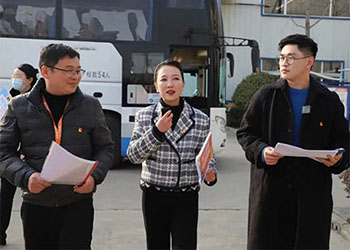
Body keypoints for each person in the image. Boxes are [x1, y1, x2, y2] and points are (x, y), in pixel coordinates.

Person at [236, 34, 349, 250]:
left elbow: (344, 140)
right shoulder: (266, 96)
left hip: (312, 195)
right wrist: (262, 151)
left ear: (309, 62)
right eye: (281, 58)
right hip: (271, 193)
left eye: (291, 58)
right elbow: (245, 133)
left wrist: (338, 158)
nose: (284, 63)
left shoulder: (327, 100)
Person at [0, 43, 114, 249]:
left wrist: (94, 178)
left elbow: (105, 148)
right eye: (69, 71)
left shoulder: (90, 106)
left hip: (78, 204)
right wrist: (26, 177)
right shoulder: (18, 106)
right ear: (46, 71)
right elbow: (3, 152)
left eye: (78, 71)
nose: (76, 76)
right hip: (36, 205)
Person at [127, 60, 217, 250]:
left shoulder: (200, 119)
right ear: (156, 86)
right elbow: (133, 155)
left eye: (175, 79)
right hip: (154, 194)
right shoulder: (144, 116)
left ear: (183, 84)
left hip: (186, 196)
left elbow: (207, 153)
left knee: (185, 245)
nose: (170, 84)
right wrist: (156, 132)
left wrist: (210, 170)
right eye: (164, 80)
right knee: (156, 245)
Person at [0, 63, 38, 246]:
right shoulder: (7, 98)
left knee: (22, 198)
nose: (15, 80)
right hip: (7, 155)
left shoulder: (32, 102)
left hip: (23, 158)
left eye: (19, 76)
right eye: (13, 76)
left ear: (30, 80)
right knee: (3, 197)